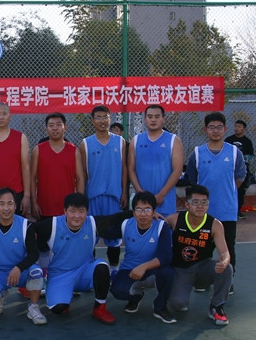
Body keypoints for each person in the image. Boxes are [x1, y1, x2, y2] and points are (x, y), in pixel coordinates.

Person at [34, 192, 127, 326]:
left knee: (102, 267)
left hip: (85, 272)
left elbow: (115, 218)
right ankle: (64, 297)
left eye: (81, 211)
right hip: (60, 275)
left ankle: (99, 308)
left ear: (87, 212)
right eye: (72, 211)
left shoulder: (93, 223)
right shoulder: (52, 224)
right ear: (65, 211)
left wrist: (144, 214)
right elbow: (28, 229)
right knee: (58, 309)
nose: (77, 216)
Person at [186, 112, 245, 281]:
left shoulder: (234, 152)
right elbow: (192, 180)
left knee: (228, 248)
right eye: (211, 127)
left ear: (225, 129)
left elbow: (240, 178)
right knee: (202, 248)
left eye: (219, 127)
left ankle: (228, 281)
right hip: (202, 212)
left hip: (227, 211)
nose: (216, 131)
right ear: (205, 129)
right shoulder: (197, 153)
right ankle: (201, 280)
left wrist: (226, 191)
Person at [166, 185, 233, 326]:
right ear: (187, 204)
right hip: (181, 269)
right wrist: (153, 216)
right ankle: (180, 289)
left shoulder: (215, 224)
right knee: (178, 304)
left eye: (204, 202)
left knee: (227, 269)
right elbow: (155, 227)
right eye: (195, 202)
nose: (200, 206)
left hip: (203, 267)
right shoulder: (174, 220)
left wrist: (224, 261)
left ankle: (216, 307)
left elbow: (224, 252)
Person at [0, 188, 46, 325]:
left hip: (21, 271)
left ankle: (33, 307)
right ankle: (1, 295)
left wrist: (19, 268)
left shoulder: (25, 225)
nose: (6, 208)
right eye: (2, 204)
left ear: (15, 206)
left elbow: (34, 254)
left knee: (36, 272)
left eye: (10, 203)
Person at [109, 191, 176, 324]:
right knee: (117, 290)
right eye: (139, 210)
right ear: (133, 212)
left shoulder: (161, 226)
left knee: (168, 273)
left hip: (153, 271)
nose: (143, 214)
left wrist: (144, 267)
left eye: (147, 209)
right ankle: (136, 297)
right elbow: (105, 227)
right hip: (130, 269)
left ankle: (160, 307)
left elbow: (166, 256)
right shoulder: (126, 224)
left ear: (154, 211)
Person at [79, 105, 128, 274]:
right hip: (93, 197)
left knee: (114, 237)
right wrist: (82, 197)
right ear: (93, 121)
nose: (102, 120)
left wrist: (124, 192)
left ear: (110, 118)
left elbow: (124, 169)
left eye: (105, 117)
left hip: (114, 196)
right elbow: (83, 173)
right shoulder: (85, 144)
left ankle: (114, 269)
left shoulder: (120, 142)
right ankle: (91, 270)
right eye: (98, 117)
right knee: (91, 236)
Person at [128, 104, 184, 217]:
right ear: (145, 119)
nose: (153, 120)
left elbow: (177, 170)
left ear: (163, 119)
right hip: (142, 204)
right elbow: (131, 169)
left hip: (165, 202)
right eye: (150, 117)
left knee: (164, 227)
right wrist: (140, 192)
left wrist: (161, 195)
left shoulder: (173, 140)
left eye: (157, 116)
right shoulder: (136, 140)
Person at [30, 112, 85, 220]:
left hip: (68, 208)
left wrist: (79, 203)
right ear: (46, 128)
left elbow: (80, 179)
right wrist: (33, 203)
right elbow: (32, 178)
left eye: (59, 124)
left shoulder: (74, 151)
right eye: (51, 125)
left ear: (65, 127)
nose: (55, 128)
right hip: (44, 207)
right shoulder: (38, 150)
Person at [225, 119, 255, 219]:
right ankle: (227, 210)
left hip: (242, 169)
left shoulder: (247, 142)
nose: (237, 128)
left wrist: (240, 158)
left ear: (244, 129)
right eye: (236, 126)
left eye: (239, 127)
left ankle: (237, 211)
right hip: (229, 169)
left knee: (240, 190)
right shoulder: (229, 140)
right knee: (228, 189)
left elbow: (250, 156)